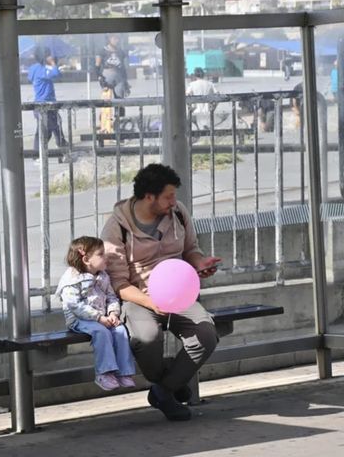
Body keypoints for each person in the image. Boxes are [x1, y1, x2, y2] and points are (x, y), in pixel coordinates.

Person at [102, 163, 221, 422]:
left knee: (206, 334)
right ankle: (172, 382)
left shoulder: (177, 213)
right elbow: (119, 283)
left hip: (179, 294)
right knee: (146, 338)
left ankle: (162, 391)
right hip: (138, 296)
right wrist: (151, 302)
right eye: (168, 196)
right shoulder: (117, 228)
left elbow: (191, 248)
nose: (173, 201)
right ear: (149, 197)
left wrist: (200, 263)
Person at [56, 236, 136, 391]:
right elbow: (75, 305)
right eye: (101, 254)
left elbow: (111, 296)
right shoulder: (71, 280)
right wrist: (98, 318)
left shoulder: (103, 276)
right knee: (101, 332)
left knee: (120, 330)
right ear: (86, 259)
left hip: (103, 317)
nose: (106, 257)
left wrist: (113, 313)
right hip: (80, 320)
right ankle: (104, 372)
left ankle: (124, 372)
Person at [27, 47, 67, 161]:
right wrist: (53, 63)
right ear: (44, 57)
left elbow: (31, 77)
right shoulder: (41, 69)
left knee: (46, 130)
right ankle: (63, 153)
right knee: (55, 128)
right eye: (48, 55)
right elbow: (56, 74)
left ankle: (38, 154)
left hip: (39, 104)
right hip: (46, 105)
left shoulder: (34, 68)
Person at [96, 35, 130, 134]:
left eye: (118, 38)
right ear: (109, 39)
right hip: (107, 75)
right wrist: (100, 78)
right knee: (106, 102)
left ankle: (119, 127)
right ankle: (105, 127)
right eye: (114, 38)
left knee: (120, 102)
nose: (116, 40)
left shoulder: (120, 51)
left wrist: (126, 82)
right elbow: (97, 66)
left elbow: (123, 68)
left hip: (119, 77)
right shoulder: (102, 51)